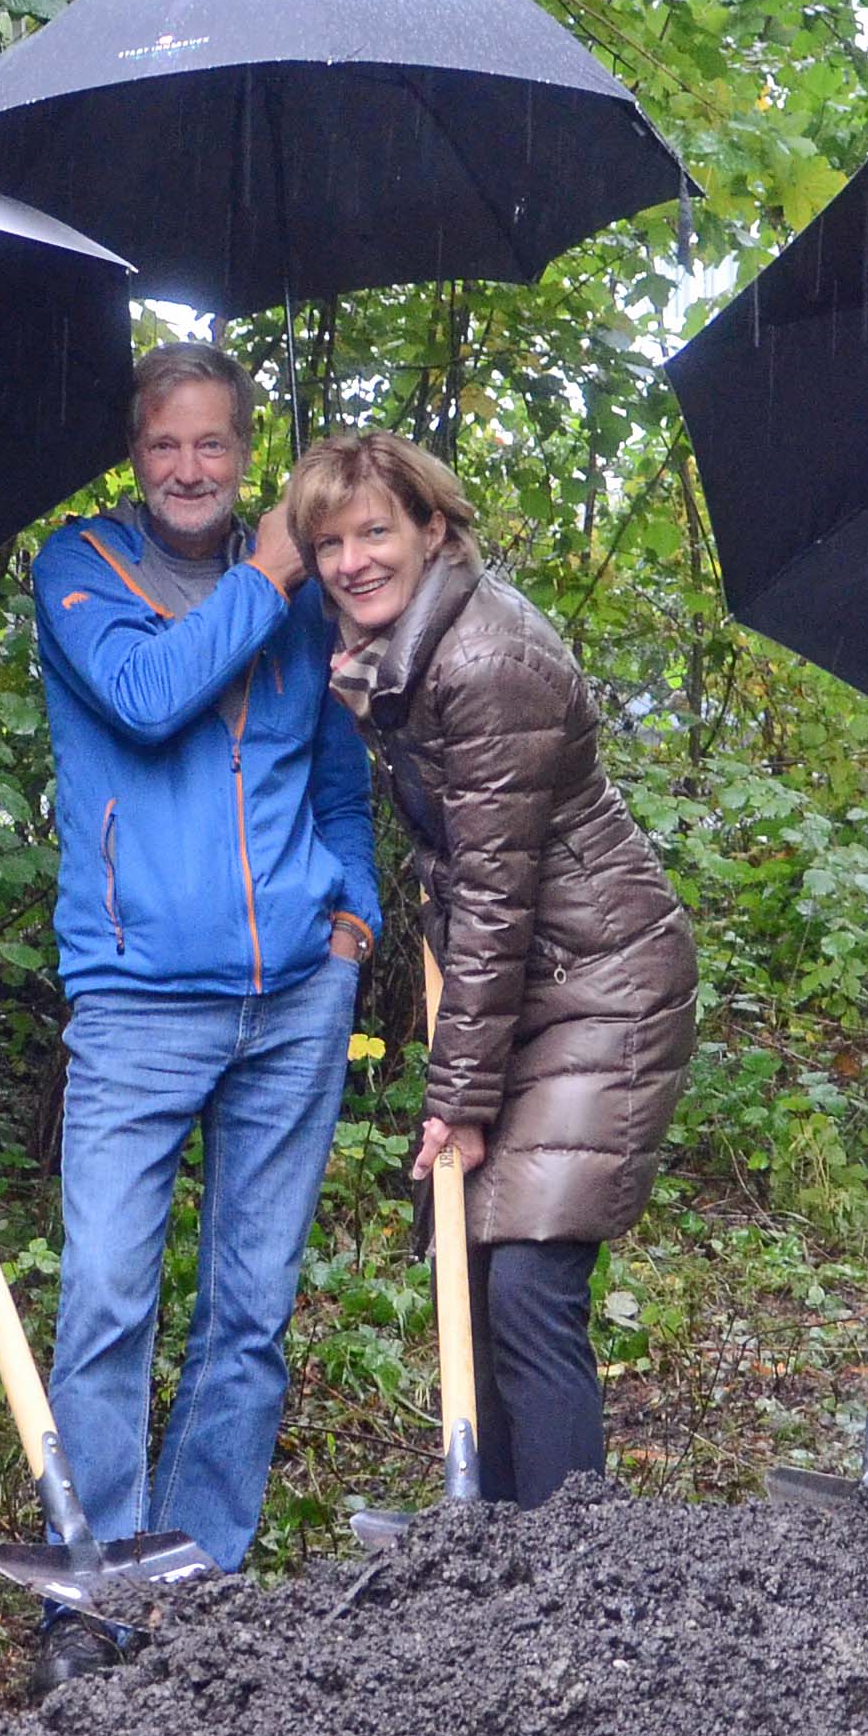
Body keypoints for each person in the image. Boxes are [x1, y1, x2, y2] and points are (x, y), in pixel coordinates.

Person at [25, 344, 376, 1664]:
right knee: (110, 1297)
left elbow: (335, 769)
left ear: (247, 456)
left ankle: (199, 1587)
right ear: (136, 454)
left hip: (292, 1000)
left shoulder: (298, 601)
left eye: (215, 446)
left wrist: (354, 914)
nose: (189, 468)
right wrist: (273, 570)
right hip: (134, 1003)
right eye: (166, 444)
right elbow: (152, 697)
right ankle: (95, 1583)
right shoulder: (81, 570)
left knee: (250, 1312)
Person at [303, 429, 692, 1502]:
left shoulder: (486, 661)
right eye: (327, 542)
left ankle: (568, 1570)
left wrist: (459, 1104)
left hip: (601, 983)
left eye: (375, 531)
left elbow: (494, 895)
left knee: (524, 1281)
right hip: (529, 979)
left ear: (434, 529)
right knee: (466, 1269)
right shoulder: (408, 651)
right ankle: (499, 1559)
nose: (352, 561)